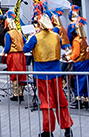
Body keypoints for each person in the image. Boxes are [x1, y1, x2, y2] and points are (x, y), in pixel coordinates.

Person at [24, 9, 73, 137]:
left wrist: (30, 37)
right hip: (56, 73)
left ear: (39, 25)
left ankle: (48, 130)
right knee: (60, 100)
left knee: (47, 103)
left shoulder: (35, 37)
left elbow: (25, 48)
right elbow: (61, 44)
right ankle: (67, 128)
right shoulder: (56, 36)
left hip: (42, 75)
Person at [0, 11, 27, 102]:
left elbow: (7, 47)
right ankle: (21, 93)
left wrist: (3, 52)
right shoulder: (19, 32)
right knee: (21, 74)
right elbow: (25, 42)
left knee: (14, 74)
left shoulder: (8, 34)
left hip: (13, 55)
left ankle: (16, 94)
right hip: (21, 55)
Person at [69, 10, 89, 110]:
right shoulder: (83, 39)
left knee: (79, 80)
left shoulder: (76, 40)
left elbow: (76, 54)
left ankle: (78, 99)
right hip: (86, 61)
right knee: (86, 80)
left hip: (80, 63)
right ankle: (86, 99)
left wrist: (70, 57)